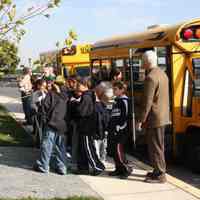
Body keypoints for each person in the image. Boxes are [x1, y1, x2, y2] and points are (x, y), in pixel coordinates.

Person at [136, 50, 170, 183]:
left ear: (147, 61)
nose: (141, 63)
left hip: (154, 118)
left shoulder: (150, 77)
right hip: (162, 116)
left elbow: (147, 102)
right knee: (159, 146)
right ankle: (158, 170)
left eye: (142, 60)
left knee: (155, 146)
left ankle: (160, 174)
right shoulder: (162, 74)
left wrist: (140, 120)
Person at [33, 83, 69, 175]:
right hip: (62, 124)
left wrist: (44, 118)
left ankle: (43, 165)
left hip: (52, 123)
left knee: (47, 145)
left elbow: (44, 107)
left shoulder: (51, 95)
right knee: (61, 146)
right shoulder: (66, 97)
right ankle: (62, 167)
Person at [76, 77, 105, 175]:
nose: (77, 86)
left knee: (88, 149)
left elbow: (81, 111)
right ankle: (83, 168)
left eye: (79, 84)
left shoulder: (86, 96)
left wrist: (75, 106)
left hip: (86, 127)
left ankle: (98, 166)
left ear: (85, 85)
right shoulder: (90, 95)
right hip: (86, 126)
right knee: (83, 149)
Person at [108, 81, 132, 179]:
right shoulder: (116, 100)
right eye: (113, 89)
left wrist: (120, 126)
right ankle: (118, 168)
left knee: (118, 149)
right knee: (113, 149)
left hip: (121, 130)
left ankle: (126, 168)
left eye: (115, 89)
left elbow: (125, 116)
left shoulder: (124, 101)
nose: (113, 91)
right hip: (114, 129)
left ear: (122, 90)